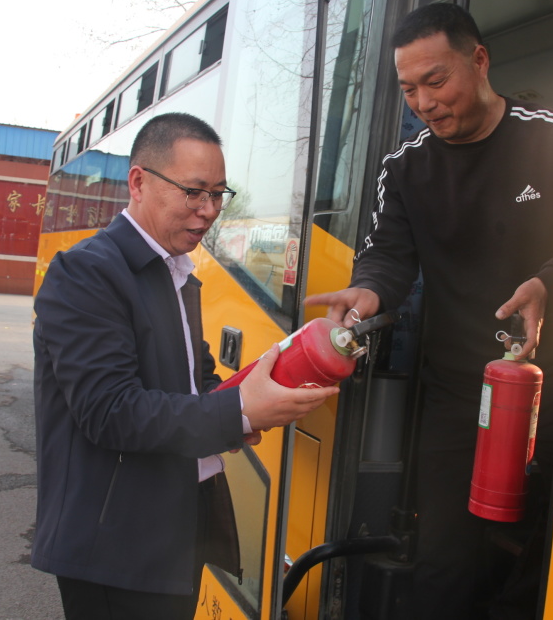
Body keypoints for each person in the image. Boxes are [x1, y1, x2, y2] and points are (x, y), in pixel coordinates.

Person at [305, 4, 553, 619]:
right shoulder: (406, 167)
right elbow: (387, 254)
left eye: (436, 81)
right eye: (409, 89)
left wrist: (549, 283)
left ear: (479, 60)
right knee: (444, 559)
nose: (424, 102)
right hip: (462, 393)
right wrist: (368, 291)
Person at [32, 112, 339, 620]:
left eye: (219, 194)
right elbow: (110, 412)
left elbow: (193, 383)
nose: (208, 211)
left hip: (173, 530)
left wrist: (256, 397)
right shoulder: (87, 272)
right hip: (115, 547)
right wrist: (237, 412)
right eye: (193, 192)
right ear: (139, 182)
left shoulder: (177, 274)